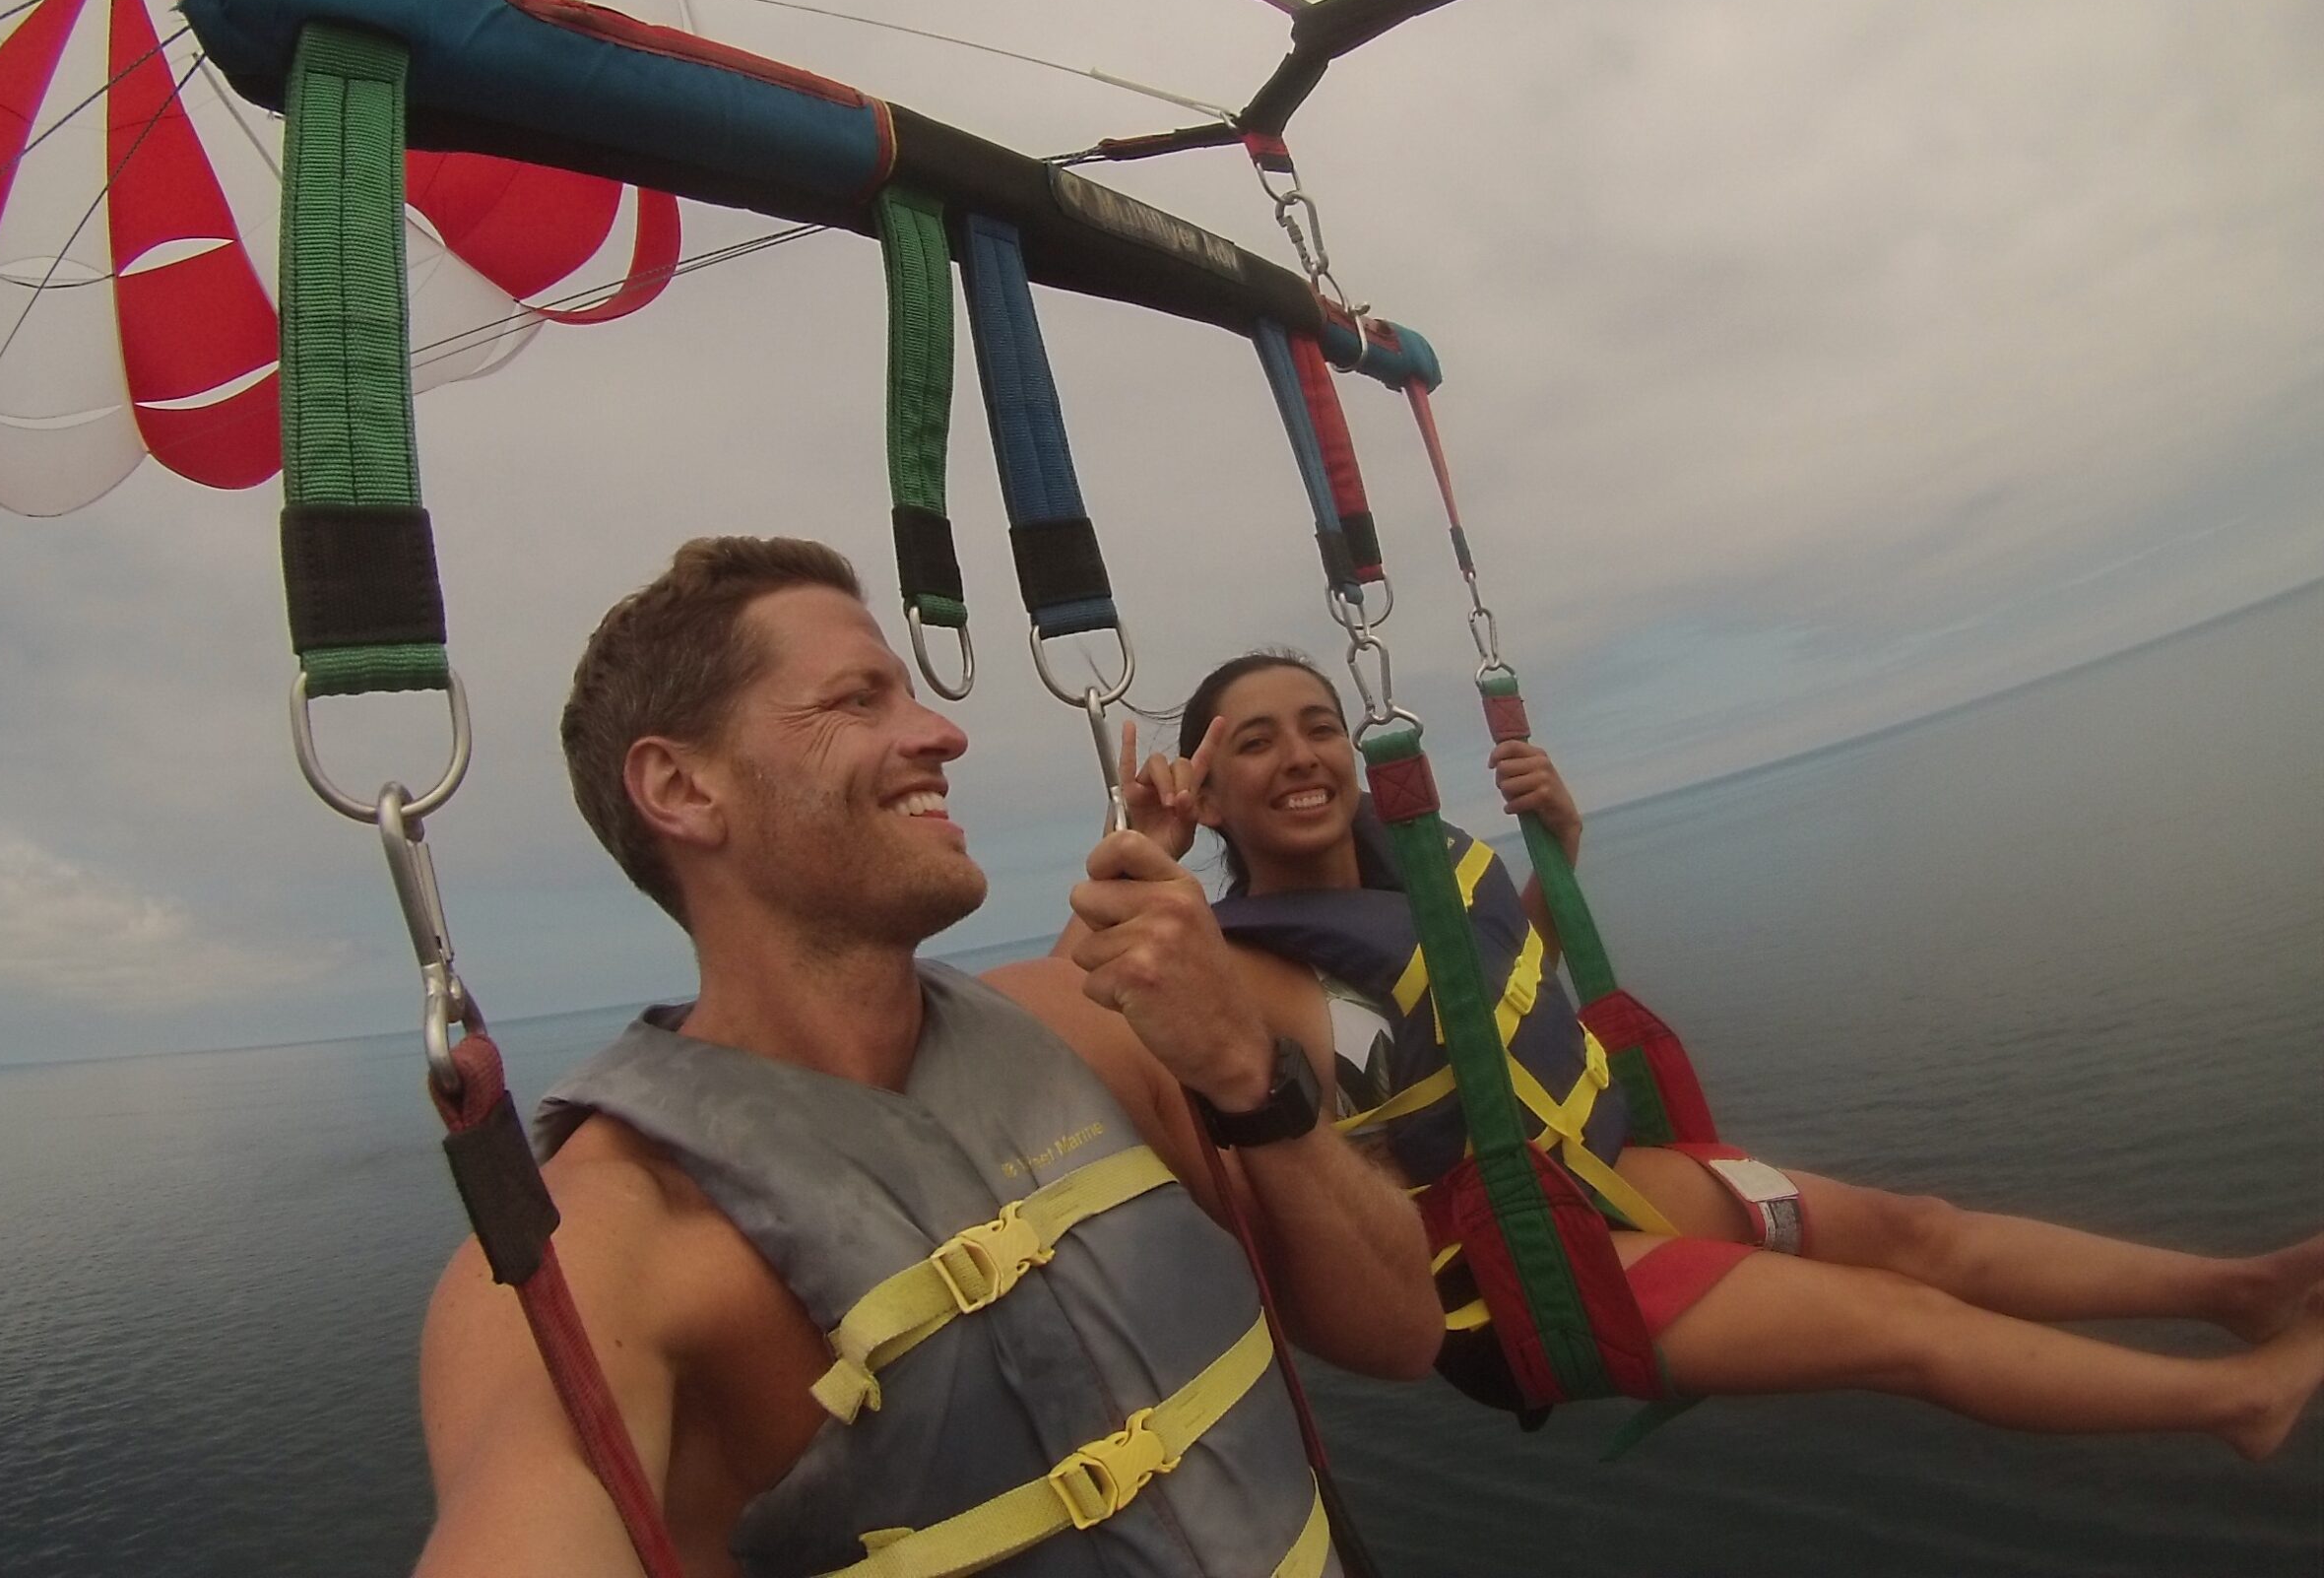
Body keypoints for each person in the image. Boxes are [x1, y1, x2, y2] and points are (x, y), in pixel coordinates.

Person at [414, 543, 1440, 1578]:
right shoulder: (601, 1251)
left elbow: (1400, 1335)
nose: (942, 733)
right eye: (859, 701)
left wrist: (1250, 1080)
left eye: (910, 694)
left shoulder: (1087, 1031)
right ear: (681, 786)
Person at [1101, 647, 2324, 1458]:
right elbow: (1099, 1032)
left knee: (1919, 1227)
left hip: (1586, 1179)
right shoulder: (1231, 963)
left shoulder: (1428, 873)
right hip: (1507, 1274)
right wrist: (1133, 848)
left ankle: (2234, 1291)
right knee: (1897, 1321)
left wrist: (1557, 852)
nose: (1302, 754)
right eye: (1253, 743)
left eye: (1319, 725)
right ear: (1207, 794)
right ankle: (2239, 1402)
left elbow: (1477, 1019)